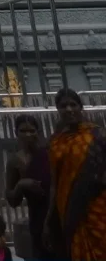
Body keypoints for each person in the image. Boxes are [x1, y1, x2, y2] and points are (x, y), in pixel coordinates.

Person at [46, 87, 106, 261]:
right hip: (69, 209)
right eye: (63, 106)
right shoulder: (56, 141)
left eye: (73, 104)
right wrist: (49, 218)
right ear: (58, 110)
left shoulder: (98, 135)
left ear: (81, 107)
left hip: (98, 205)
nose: (69, 109)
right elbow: (55, 183)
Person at [5, 114, 51, 260]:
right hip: (37, 215)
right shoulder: (15, 161)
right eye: (23, 131)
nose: (28, 135)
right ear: (16, 133)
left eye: (32, 130)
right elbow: (12, 200)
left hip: (57, 211)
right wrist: (21, 185)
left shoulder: (49, 153)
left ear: (38, 132)